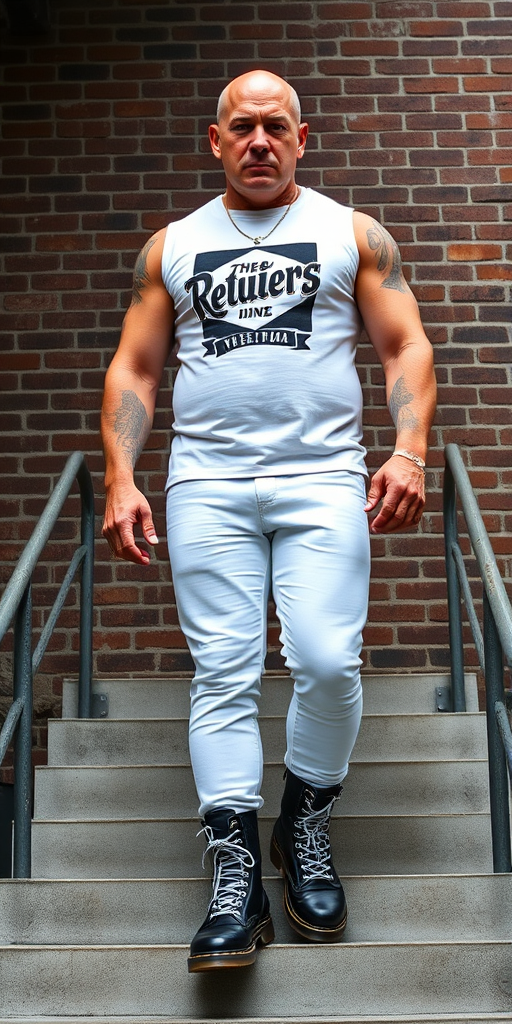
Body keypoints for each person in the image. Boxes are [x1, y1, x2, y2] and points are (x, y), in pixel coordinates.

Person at [101, 70, 436, 973]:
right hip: (205, 482)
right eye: (241, 127)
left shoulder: (351, 232)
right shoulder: (170, 246)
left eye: (275, 127)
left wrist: (406, 450)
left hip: (323, 476)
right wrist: (122, 476)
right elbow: (134, 368)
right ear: (215, 141)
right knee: (224, 670)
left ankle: (306, 820)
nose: (259, 141)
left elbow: (405, 342)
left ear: (302, 137)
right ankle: (236, 872)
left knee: (327, 659)